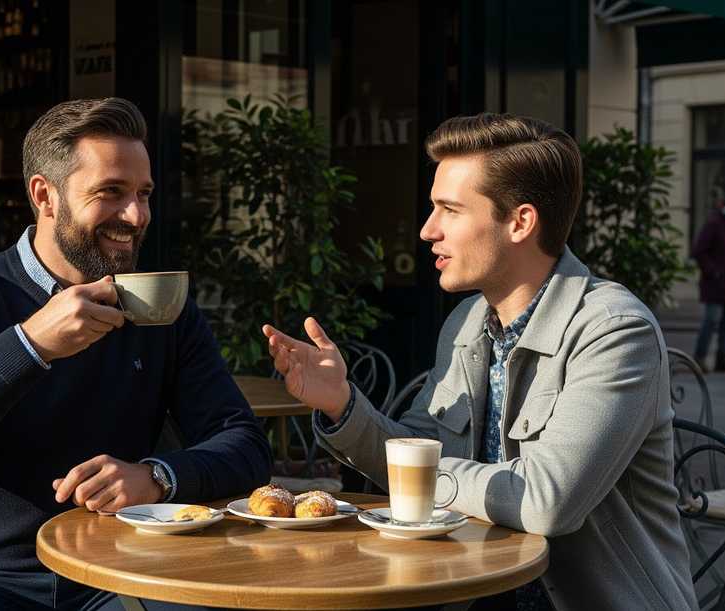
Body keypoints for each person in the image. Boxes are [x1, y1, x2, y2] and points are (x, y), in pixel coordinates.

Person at [262, 113, 696, 610]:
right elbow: (414, 455)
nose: (428, 230)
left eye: (450, 210)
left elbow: (545, 502)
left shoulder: (615, 333)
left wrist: (425, 478)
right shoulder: (467, 323)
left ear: (520, 222)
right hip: (468, 589)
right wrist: (342, 405)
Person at [0, 98, 271, 611]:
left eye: (144, 194)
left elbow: (246, 448)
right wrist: (28, 345)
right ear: (44, 196)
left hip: (122, 572)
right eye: (111, 192)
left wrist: (157, 478)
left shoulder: (160, 308)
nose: (136, 216)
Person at [691, 194, 725, 373]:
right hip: (715, 283)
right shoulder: (715, 223)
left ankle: (723, 358)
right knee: (711, 320)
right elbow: (699, 250)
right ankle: (699, 357)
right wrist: (713, 271)